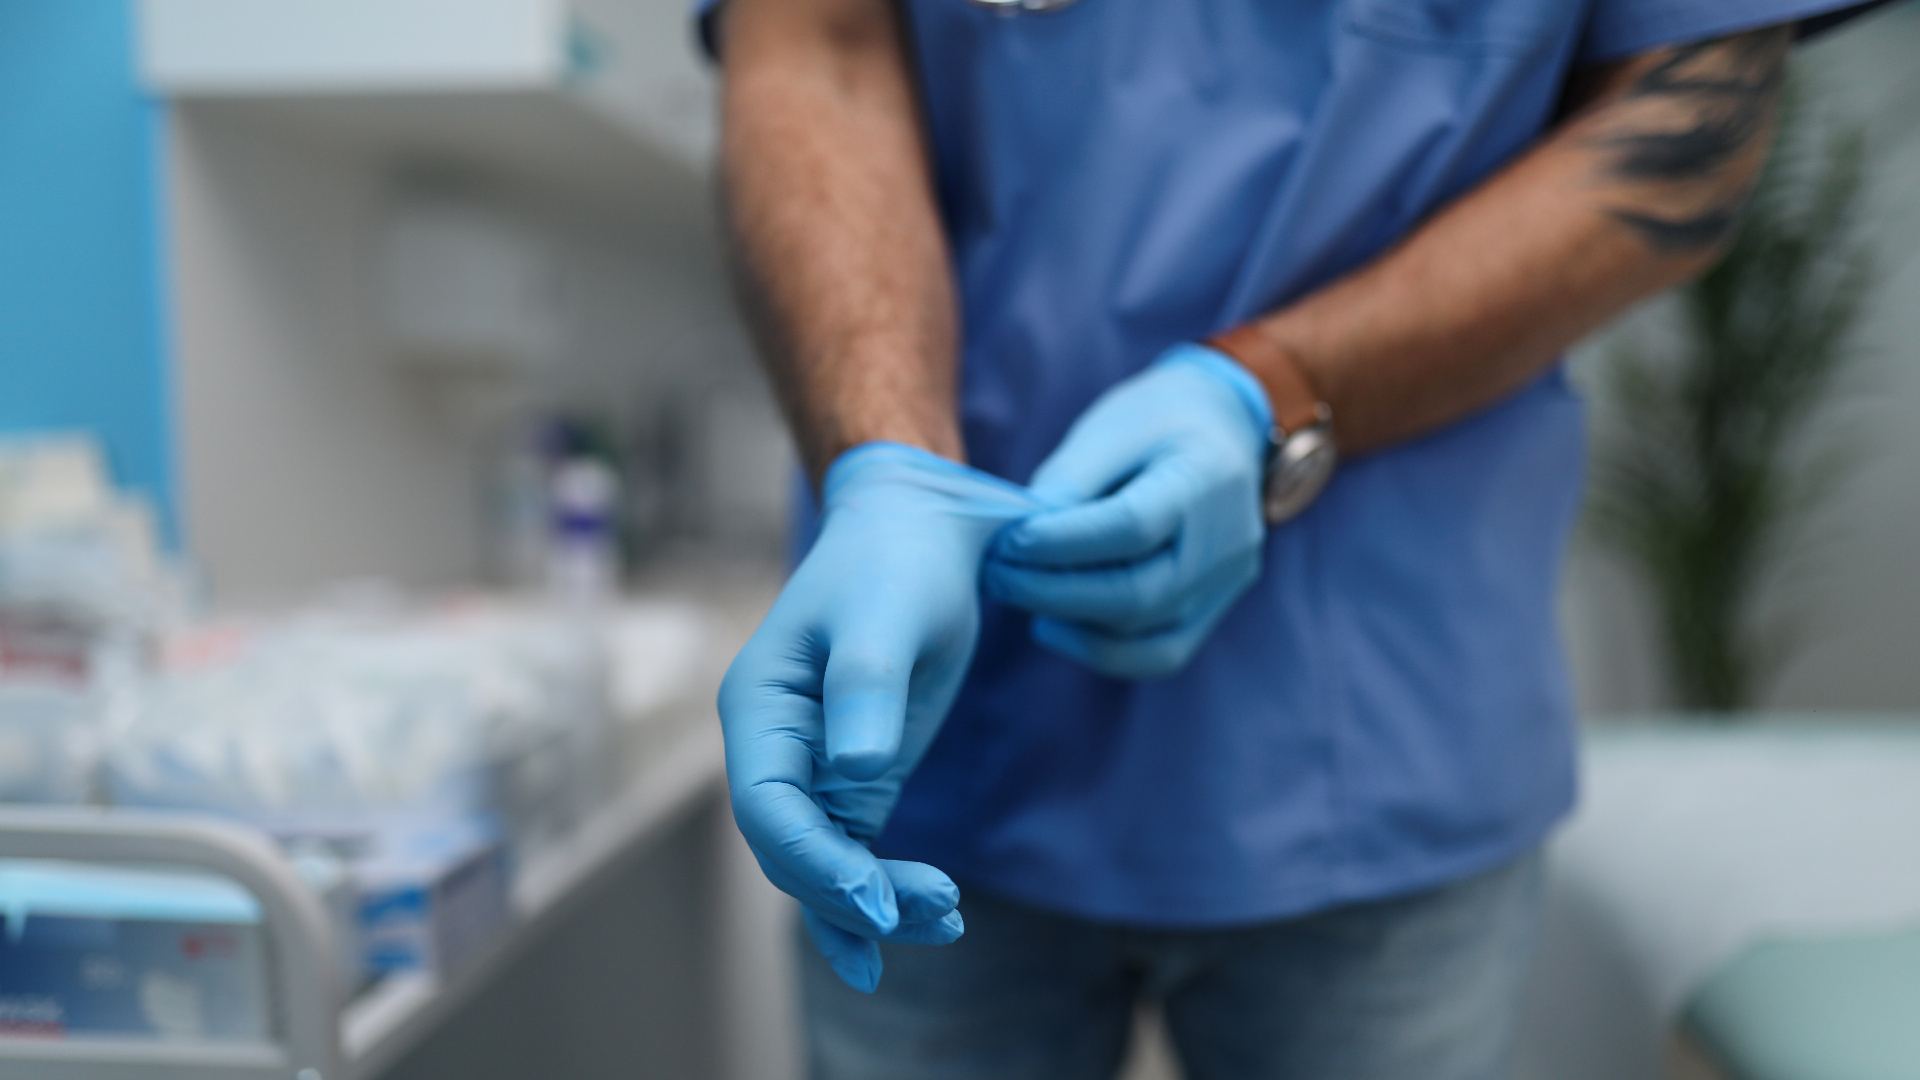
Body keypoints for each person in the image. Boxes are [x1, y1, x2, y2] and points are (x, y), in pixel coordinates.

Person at [705, 1, 1877, 1077]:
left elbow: (1687, 117)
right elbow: (818, 42)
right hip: (936, 732)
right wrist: (887, 460)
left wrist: (1279, 387)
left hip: (1385, 727)